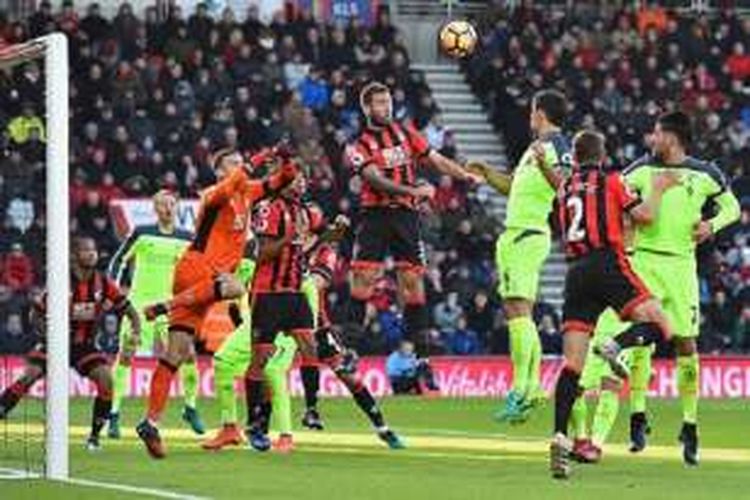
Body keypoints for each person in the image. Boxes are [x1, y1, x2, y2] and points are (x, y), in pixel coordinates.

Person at [135, 146, 298, 459]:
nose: (240, 166)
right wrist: (257, 159)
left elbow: (281, 180)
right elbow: (237, 181)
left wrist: (286, 160)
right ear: (220, 170)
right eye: (232, 163)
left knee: (177, 352)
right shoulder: (214, 194)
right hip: (198, 268)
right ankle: (166, 305)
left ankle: (150, 422)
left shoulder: (248, 193)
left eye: (240, 161)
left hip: (207, 283)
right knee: (237, 287)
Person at [548, 130, 681, 479]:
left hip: (574, 273)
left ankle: (560, 438)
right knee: (662, 325)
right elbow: (646, 216)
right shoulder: (611, 182)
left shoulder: (564, 188)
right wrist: (660, 187)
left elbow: (560, 193)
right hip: (608, 264)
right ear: (602, 155)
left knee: (572, 366)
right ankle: (616, 345)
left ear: (574, 158)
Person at [244, 169, 404, 452]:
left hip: (314, 320)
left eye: (307, 223)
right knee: (268, 369)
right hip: (277, 304)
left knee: (346, 372)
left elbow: (316, 281)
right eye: (300, 221)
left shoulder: (325, 252)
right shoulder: (285, 234)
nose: (302, 225)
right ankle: (264, 426)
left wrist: (321, 241)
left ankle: (382, 426)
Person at [345, 81, 483, 391]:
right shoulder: (357, 145)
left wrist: (464, 174)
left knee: (413, 286)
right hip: (376, 216)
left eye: (388, 101)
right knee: (363, 280)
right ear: (367, 108)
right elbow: (374, 180)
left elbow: (434, 158)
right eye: (379, 103)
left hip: (406, 218)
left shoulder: (405, 132)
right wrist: (415, 191)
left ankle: (422, 361)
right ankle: (350, 352)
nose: (386, 107)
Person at [621, 111, 741, 465]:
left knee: (686, 343)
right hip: (644, 261)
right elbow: (616, 196)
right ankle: (638, 415)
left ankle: (689, 425)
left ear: (671, 138)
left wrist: (712, 224)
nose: (651, 140)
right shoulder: (641, 170)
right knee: (642, 337)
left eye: (656, 134)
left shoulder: (705, 173)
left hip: (682, 266)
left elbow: (732, 206)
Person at [0, 236, 141, 451]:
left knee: (107, 379)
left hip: (83, 346)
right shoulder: (60, 283)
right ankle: (2, 409)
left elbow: (131, 312)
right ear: (75, 256)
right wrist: (44, 330)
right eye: (86, 249)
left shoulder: (102, 283)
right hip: (55, 342)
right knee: (29, 376)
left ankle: (94, 437)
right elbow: (35, 313)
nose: (92, 253)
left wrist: (136, 333)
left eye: (93, 249)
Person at [491, 90, 573, 424]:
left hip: (527, 233)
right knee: (518, 312)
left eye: (532, 110)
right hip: (517, 233)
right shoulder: (535, 148)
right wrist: (485, 174)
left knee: (517, 310)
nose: (529, 116)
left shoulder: (557, 146)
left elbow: (567, 188)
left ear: (540, 113)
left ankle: (522, 388)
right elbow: (513, 187)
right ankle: (531, 387)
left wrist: (541, 162)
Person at [106, 190, 203, 439]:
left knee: (189, 355)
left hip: (170, 307)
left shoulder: (187, 238)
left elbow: (196, 270)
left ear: (177, 207)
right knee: (126, 354)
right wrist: (116, 293)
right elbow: (119, 260)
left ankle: (190, 408)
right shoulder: (142, 232)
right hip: (139, 305)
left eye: (171, 204)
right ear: (155, 208)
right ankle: (113, 414)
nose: (167, 208)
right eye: (162, 204)